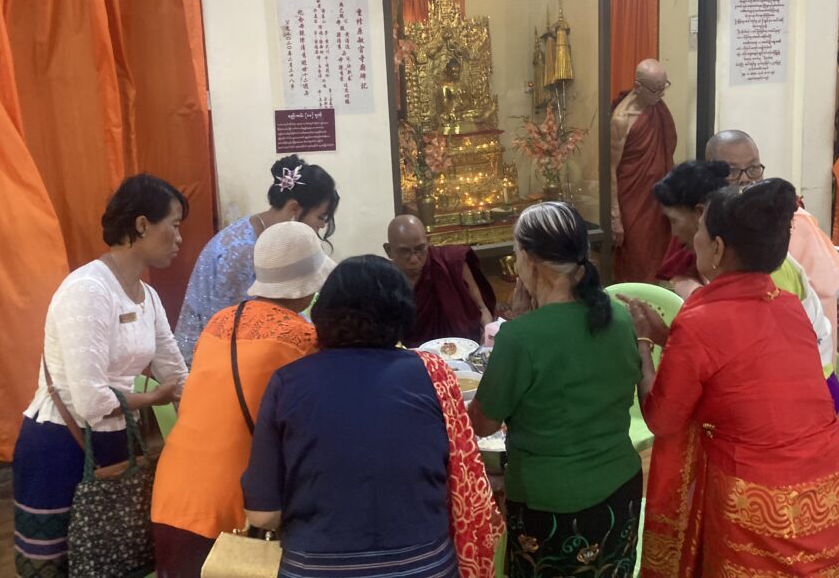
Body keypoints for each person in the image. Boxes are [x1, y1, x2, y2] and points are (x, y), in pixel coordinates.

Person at [631, 180, 839, 576]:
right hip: (834, 492)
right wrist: (670, 338)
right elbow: (740, 365)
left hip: (762, 503)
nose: (693, 240)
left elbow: (662, 419)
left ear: (718, 248)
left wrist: (642, 346)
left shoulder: (701, 320)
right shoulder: (788, 305)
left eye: (700, 230)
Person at [241, 255, 502, 578]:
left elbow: (262, 515)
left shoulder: (286, 382)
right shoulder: (433, 374)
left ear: (324, 313)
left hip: (316, 567)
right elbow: (462, 479)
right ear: (402, 313)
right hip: (423, 565)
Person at [12, 174, 190, 578]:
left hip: (117, 439)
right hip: (62, 444)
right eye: (175, 225)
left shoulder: (148, 296)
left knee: (110, 559)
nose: (179, 238)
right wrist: (154, 398)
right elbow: (92, 402)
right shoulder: (88, 290)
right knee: (55, 566)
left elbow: (176, 372)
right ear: (141, 225)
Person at [469, 202, 643, 578]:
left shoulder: (520, 337)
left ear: (528, 258)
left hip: (551, 504)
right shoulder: (618, 316)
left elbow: (483, 423)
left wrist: (517, 321)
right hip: (620, 491)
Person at [151, 221, 333, 577]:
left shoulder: (219, 322)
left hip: (173, 493)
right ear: (309, 286)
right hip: (237, 507)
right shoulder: (304, 340)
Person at [653, 161, 839, 435]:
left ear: (702, 219)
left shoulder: (767, 278)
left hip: (805, 404)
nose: (673, 234)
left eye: (674, 221)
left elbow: (759, 360)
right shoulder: (740, 271)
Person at [175, 154, 339, 363]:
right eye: (320, 217)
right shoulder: (240, 251)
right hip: (209, 360)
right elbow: (235, 329)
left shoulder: (269, 236)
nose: (321, 226)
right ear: (294, 209)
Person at [705, 129, 839, 347]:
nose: (745, 179)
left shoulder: (794, 222)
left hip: (794, 342)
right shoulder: (705, 220)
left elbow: (825, 292)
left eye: (753, 169)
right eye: (732, 171)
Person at [610, 58, 677, 283]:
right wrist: (615, 215)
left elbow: (669, 148)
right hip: (633, 199)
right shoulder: (621, 120)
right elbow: (610, 169)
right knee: (637, 256)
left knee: (662, 255)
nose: (662, 94)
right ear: (638, 86)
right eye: (656, 89)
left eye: (664, 86)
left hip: (660, 197)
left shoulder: (656, 106)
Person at [384, 214, 496, 347]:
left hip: (461, 350)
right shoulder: (384, 281)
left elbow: (481, 308)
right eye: (405, 251)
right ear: (389, 250)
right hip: (410, 355)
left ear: (428, 241)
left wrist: (488, 333)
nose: (414, 259)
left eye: (420, 249)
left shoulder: (451, 263)